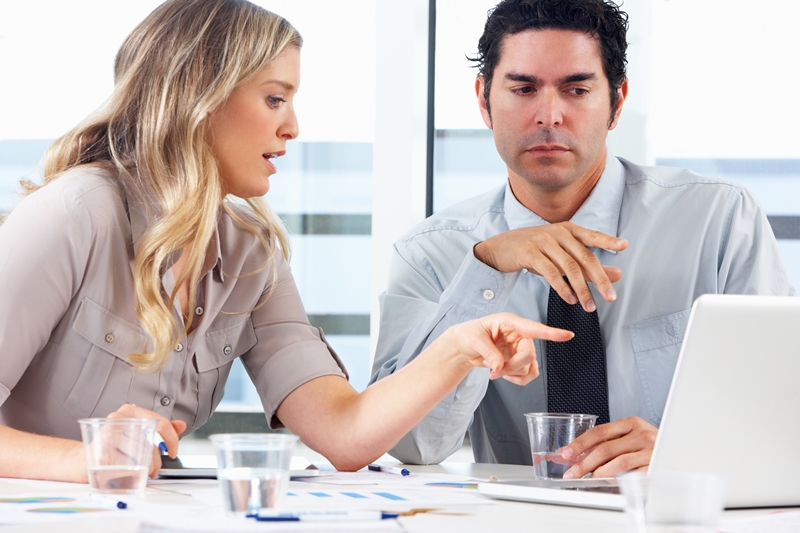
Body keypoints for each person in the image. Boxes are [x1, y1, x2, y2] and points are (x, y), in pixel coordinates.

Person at [0, 0, 574, 483]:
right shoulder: (74, 214)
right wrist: (88, 458)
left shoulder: (250, 254)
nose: (293, 127)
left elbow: (344, 433)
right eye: (275, 99)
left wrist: (459, 348)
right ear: (200, 97)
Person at [371, 0, 795, 478]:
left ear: (617, 102)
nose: (549, 116)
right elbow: (412, 445)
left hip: (673, 510)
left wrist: (686, 452)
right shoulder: (431, 253)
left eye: (576, 89)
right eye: (524, 89)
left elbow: (784, 409)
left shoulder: (718, 220)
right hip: (515, 515)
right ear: (484, 100)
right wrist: (484, 272)